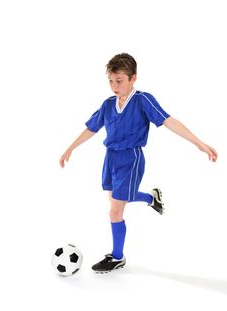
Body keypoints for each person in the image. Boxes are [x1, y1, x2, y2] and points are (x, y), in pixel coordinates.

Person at [59, 53, 218, 273]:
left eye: (119, 81)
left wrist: (198, 143)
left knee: (115, 211)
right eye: (111, 81)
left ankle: (117, 257)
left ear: (133, 78)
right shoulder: (107, 105)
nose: (114, 86)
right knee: (116, 202)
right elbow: (92, 128)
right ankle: (151, 197)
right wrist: (71, 147)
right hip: (110, 157)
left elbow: (168, 120)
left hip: (130, 158)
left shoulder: (143, 100)